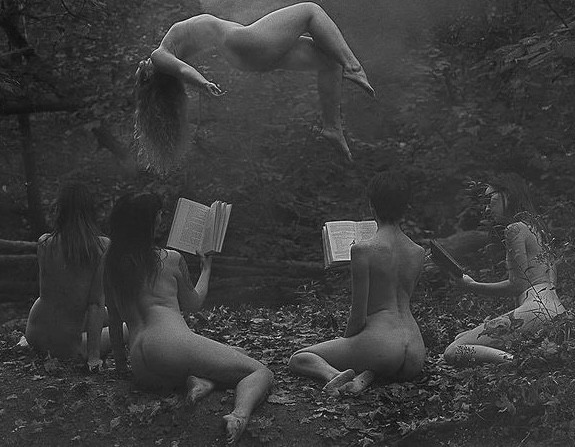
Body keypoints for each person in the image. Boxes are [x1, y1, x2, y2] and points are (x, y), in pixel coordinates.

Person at [104, 192, 273, 446]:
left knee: (234, 354)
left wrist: (120, 365)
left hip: (140, 363)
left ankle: (199, 382)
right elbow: (194, 303)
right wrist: (206, 268)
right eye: (159, 214)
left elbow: (114, 319)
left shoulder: (111, 263)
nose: (162, 218)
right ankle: (238, 416)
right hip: (170, 344)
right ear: (150, 222)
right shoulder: (170, 259)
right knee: (260, 371)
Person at [134, 2, 376, 171]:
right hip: (241, 43)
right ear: (151, 76)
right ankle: (354, 67)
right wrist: (202, 82)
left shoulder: (167, 53)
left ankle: (332, 127)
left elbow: (180, 69)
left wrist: (201, 83)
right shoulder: (159, 55)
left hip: (248, 56)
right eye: (142, 70)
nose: (143, 62)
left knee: (330, 61)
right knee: (310, 11)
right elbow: (183, 70)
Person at [288, 170, 426, 396]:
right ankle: (367, 374)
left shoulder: (363, 250)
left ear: (372, 206)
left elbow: (358, 316)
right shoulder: (418, 252)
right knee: (378, 361)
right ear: (405, 208)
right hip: (415, 351)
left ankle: (335, 375)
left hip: (381, 345)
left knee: (300, 358)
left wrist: (348, 344)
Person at [443, 173, 565, 366]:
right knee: (462, 337)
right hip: (557, 313)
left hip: (535, 310)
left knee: (453, 351)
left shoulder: (514, 229)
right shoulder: (538, 228)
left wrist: (471, 285)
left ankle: (516, 364)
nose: (486, 208)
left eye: (490, 198)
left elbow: (517, 285)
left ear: (507, 194)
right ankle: (520, 362)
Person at [24, 183, 110, 371]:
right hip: (68, 345)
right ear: (90, 210)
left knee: (106, 313)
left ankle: (31, 341)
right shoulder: (101, 247)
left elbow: (49, 295)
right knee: (128, 327)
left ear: (60, 210)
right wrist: (94, 356)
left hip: (35, 333)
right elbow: (95, 303)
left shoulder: (45, 242)